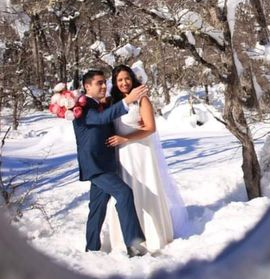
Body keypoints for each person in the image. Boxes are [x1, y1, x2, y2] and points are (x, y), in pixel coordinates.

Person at [103, 65, 188, 253]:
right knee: (126, 193)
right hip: (121, 154)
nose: (124, 83)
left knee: (144, 189)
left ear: (132, 79)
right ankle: (127, 237)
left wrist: (126, 138)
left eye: (127, 78)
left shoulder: (142, 100)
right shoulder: (112, 102)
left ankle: (152, 235)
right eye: (119, 80)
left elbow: (150, 128)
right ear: (115, 84)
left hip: (140, 151)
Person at [72, 69, 149, 257]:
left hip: (106, 164)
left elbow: (109, 118)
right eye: (99, 83)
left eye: (104, 82)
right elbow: (100, 119)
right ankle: (134, 246)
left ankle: (91, 249)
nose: (104, 86)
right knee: (124, 193)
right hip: (95, 165)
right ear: (87, 86)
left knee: (97, 209)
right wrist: (127, 100)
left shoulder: (100, 104)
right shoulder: (81, 108)